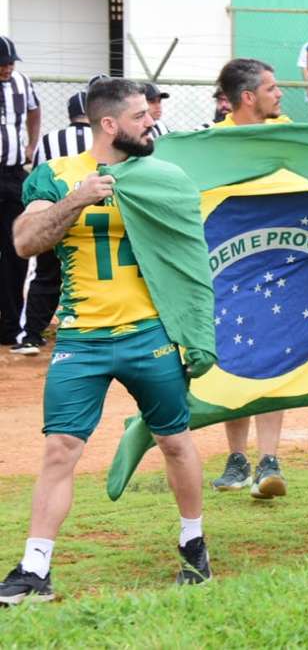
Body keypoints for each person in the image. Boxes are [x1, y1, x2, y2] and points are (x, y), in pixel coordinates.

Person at [0, 77, 213, 604]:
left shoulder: (162, 177)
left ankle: (194, 543)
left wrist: (192, 330)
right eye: (141, 116)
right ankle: (35, 568)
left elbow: (187, 251)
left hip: (150, 334)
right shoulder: (57, 175)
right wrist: (78, 199)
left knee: (175, 441)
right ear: (110, 124)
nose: (151, 122)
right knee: (60, 449)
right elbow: (25, 241)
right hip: (82, 339)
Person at [208, 60, 295, 500]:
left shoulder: (291, 132)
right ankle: (238, 458)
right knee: (234, 360)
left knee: (275, 361)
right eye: (272, 87)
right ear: (247, 97)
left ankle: (270, 460)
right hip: (231, 269)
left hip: (282, 267)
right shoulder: (212, 142)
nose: (280, 94)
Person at [13, 92, 94, 357]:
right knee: (88, 273)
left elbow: (38, 176)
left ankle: (31, 336)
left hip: (55, 212)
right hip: (94, 216)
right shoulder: (102, 138)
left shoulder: (51, 138)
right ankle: (87, 331)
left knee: (45, 274)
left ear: (70, 114)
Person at [0, 37, 39, 349]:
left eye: (11, 62)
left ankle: (10, 325)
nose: (8, 68)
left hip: (13, 175)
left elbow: (33, 109)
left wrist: (31, 141)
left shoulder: (21, 82)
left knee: (15, 250)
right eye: (3, 63)